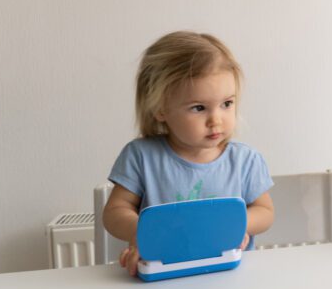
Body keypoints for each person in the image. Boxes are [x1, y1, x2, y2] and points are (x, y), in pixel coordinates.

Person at [103, 31, 275, 276]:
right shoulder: (141, 156)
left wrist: (235, 226)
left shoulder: (246, 161)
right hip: (162, 278)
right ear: (160, 108)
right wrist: (144, 235)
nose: (216, 120)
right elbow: (114, 212)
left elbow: (266, 212)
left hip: (227, 277)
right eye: (198, 108)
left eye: (227, 103)